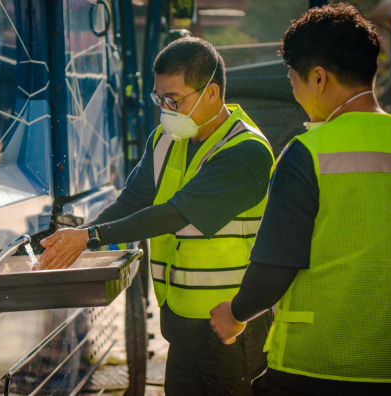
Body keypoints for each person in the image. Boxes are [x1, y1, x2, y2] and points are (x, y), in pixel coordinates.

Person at [34, 37, 275, 395]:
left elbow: (174, 214)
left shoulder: (245, 152)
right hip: (180, 324)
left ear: (212, 93)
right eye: (160, 98)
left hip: (230, 326)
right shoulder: (166, 140)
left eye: (174, 99)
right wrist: (77, 240)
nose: (165, 108)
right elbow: (133, 200)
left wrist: (88, 239)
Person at [209, 4, 391, 396]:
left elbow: (274, 268)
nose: (296, 93)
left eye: (294, 81)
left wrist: (234, 315)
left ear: (318, 77)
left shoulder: (307, 153)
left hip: (315, 366)